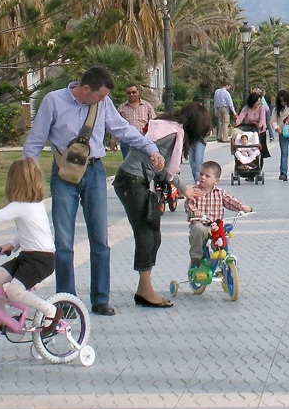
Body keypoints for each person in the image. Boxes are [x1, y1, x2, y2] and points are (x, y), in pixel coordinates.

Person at [23, 66, 166, 317]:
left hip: (95, 171)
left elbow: (122, 129)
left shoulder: (103, 103)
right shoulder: (53, 101)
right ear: (86, 88)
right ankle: (67, 301)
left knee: (100, 239)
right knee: (64, 242)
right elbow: (35, 141)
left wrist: (151, 148)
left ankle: (100, 299)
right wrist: (27, 179)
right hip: (64, 174)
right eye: (99, 96)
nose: (102, 101)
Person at [113, 102, 209, 308]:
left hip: (134, 181)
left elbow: (161, 167)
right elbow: (160, 167)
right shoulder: (172, 134)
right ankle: (145, 290)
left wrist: (183, 188)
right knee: (147, 235)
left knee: (152, 234)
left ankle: (143, 288)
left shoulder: (170, 129)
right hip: (131, 181)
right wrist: (183, 188)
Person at [0, 159, 60, 337]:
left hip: (41, 260)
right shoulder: (32, 205)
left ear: (14, 183)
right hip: (28, 256)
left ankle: (50, 311)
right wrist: (12, 244)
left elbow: (0, 216)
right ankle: (0, 320)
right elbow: (30, 232)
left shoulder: (22, 206)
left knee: (14, 291)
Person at [185, 161, 252, 273]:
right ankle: (196, 257)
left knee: (223, 238)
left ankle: (224, 261)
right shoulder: (194, 191)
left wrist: (242, 207)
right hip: (201, 224)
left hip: (215, 226)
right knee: (197, 229)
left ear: (216, 181)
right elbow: (189, 204)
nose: (203, 178)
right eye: (201, 174)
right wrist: (194, 211)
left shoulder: (220, 193)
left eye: (207, 176)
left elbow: (231, 201)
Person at [117, 84, 156, 159]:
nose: (131, 94)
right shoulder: (121, 108)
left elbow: (154, 123)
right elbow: (116, 125)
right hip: (127, 140)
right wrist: (113, 141)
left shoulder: (147, 106)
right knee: (129, 163)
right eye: (129, 93)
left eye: (133, 92)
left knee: (144, 162)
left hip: (143, 139)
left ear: (138, 92)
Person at [235, 92, 270, 160]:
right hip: (249, 130)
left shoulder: (261, 108)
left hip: (260, 130)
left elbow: (262, 119)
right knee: (248, 147)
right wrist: (237, 122)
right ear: (253, 101)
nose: (259, 103)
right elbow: (241, 117)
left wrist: (260, 124)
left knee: (259, 148)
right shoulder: (246, 108)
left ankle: (259, 162)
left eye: (259, 101)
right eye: (257, 101)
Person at [187, 97, 208, 183]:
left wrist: (208, 130)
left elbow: (207, 123)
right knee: (192, 160)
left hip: (201, 137)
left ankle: (197, 179)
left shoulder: (204, 112)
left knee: (198, 158)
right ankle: (196, 178)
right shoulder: (189, 113)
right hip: (191, 137)